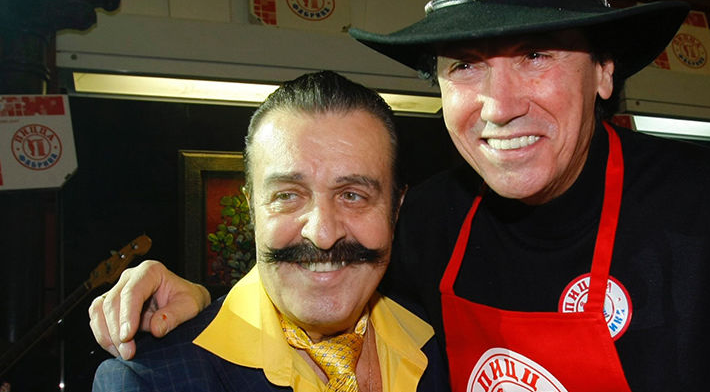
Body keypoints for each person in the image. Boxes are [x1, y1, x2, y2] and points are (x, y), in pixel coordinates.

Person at [89, 0, 710, 391]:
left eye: (536, 54)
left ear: (604, 70)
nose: (500, 105)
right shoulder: (431, 223)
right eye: (465, 65)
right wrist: (205, 306)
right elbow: (323, 283)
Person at [91, 71, 448, 391]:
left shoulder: (443, 346)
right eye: (288, 196)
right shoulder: (150, 382)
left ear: (395, 209)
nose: (323, 234)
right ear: (251, 209)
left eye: (352, 195)